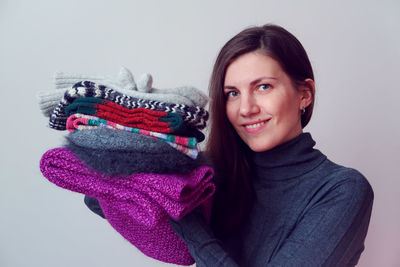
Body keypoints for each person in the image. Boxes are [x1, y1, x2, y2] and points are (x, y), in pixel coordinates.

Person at [169, 24, 374, 266]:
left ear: (305, 94)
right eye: (233, 93)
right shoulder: (214, 178)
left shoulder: (343, 190)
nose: (246, 109)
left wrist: (185, 216)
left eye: (263, 87)